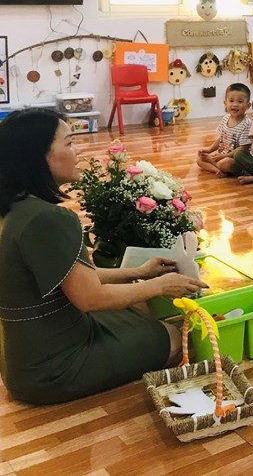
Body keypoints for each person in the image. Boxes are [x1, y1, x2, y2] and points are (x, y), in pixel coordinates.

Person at [0, 109, 206, 405]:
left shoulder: (15, 207)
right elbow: (90, 298)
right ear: (37, 156)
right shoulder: (47, 218)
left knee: (138, 306)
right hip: (54, 367)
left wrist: (140, 273)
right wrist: (161, 285)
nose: (78, 151)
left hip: (22, 362)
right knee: (173, 338)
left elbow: (73, 278)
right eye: (69, 143)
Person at [196, 82, 251, 177]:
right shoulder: (225, 118)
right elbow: (222, 138)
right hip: (222, 155)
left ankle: (221, 167)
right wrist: (209, 150)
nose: (235, 104)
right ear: (225, 103)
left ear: (248, 105)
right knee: (199, 159)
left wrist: (224, 156)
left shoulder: (247, 124)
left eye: (240, 101)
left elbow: (243, 148)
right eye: (231, 101)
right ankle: (217, 170)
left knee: (225, 163)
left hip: (235, 160)